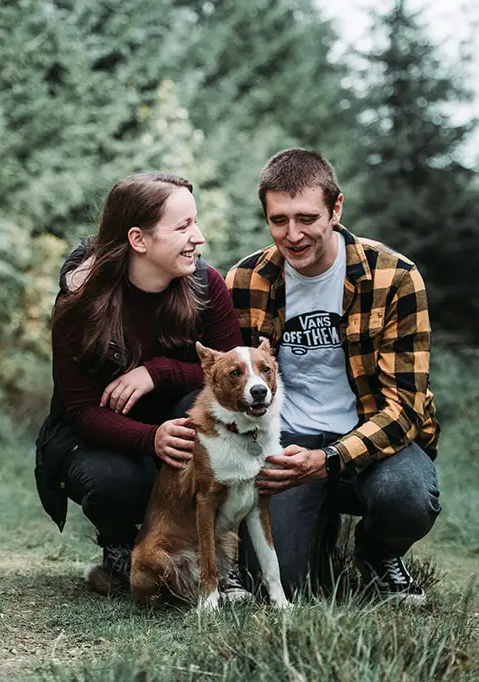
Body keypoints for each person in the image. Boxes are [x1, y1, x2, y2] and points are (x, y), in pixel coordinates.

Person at [225, 149, 442, 604]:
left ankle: (378, 553)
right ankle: (311, 537)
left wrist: (328, 459)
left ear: (336, 208)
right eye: (278, 220)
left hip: (373, 440)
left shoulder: (395, 277)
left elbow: (405, 409)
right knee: (288, 588)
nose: (293, 234)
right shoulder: (245, 280)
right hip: (285, 443)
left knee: (407, 496)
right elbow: (229, 386)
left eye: (307, 217)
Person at [34, 172, 246, 597]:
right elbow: (81, 411)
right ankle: (120, 550)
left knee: (203, 409)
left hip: (178, 422)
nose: (198, 237)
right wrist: (151, 439)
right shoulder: (80, 303)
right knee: (110, 479)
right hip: (102, 439)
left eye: (195, 222)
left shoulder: (207, 286)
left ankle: (217, 557)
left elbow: (234, 378)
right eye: (183, 226)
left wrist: (158, 371)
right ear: (139, 239)